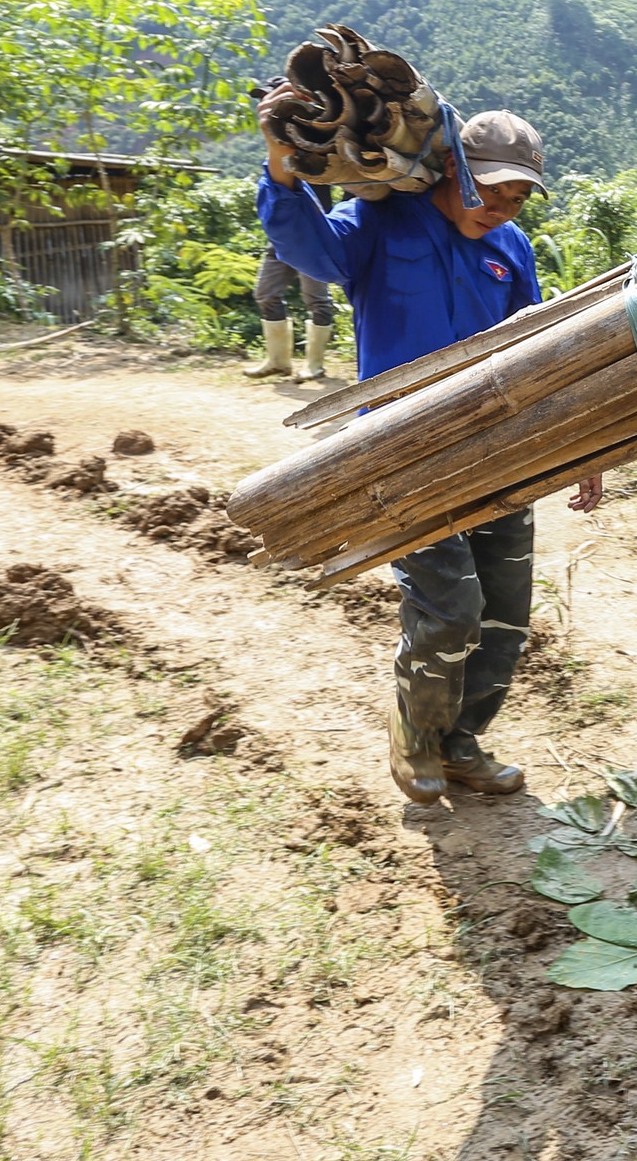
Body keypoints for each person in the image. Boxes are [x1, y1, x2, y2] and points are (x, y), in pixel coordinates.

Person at [256, 88, 602, 805]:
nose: (501, 210)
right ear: (454, 171)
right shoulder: (383, 222)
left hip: (498, 450)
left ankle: (462, 740)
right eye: (492, 191)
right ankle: (415, 736)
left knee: (504, 613)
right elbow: (310, 250)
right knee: (449, 607)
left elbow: (538, 348)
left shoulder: (511, 249)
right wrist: (283, 168)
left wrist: (583, 445)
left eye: (518, 199)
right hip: (403, 450)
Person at [244, 181, 339, 383]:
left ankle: (314, 365)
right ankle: (278, 361)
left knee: (317, 300)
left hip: (314, 237)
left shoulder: (323, 154)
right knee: (265, 294)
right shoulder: (281, 157)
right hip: (280, 238)